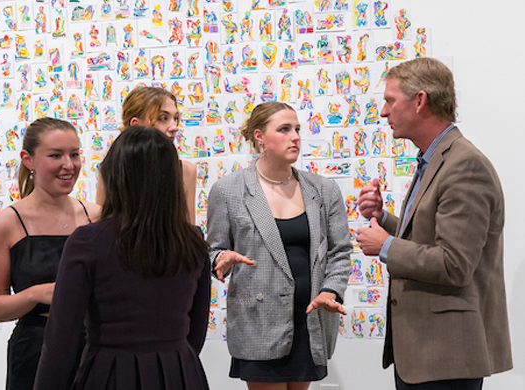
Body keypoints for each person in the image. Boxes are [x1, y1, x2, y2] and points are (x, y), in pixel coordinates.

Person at [356, 57, 512, 389]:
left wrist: (384, 245)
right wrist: (384, 219)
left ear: (420, 101)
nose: (383, 112)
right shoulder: (436, 160)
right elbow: (429, 238)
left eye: (389, 100)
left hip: (445, 357)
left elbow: (454, 263)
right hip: (424, 354)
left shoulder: (465, 166)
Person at [34, 126, 210, 390]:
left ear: (115, 176)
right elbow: (196, 329)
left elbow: (62, 339)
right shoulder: (193, 241)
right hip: (179, 371)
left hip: (110, 373)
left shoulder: (88, 242)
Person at [207, 102, 352, 390]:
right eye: (284, 129)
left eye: (297, 129)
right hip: (258, 321)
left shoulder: (323, 190)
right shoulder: (228, 190)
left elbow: (341, 251)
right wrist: (220, 259)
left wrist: (330, 290)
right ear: (259, 136)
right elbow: (214, 249)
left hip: (310, 320)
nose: (295, 136)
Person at [0, 118, 101, 390]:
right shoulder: (5, 224)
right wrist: (38, 294)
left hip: (95, 348)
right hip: (36, 350)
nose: (68, 165)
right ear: (28, 160)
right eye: (55, 155)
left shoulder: (97, 217)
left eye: (74, 154)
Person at [95, 86, 196, 223]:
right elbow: (102, 225)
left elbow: (187, 229)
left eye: (175, 118)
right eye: (163, 118)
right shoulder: (110, 169)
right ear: (135, 125)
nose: (174, 127)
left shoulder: (185, 171)